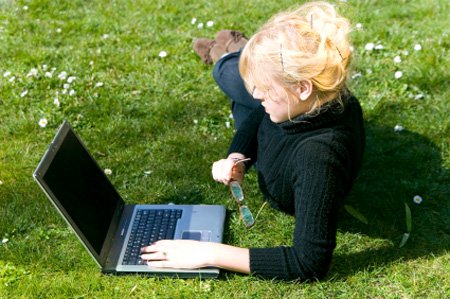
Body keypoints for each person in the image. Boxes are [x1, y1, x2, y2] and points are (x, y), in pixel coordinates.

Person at [141, 1, 365, 281]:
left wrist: (208, 253)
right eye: (258, 86)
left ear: (302, 87)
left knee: (225, 74)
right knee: (239, 87)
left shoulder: (318, 159)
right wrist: (237, 157)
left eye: (265, 87)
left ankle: (225, 52)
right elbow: (259, 114)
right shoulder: (303, 102)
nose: (258, 95)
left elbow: (308, 263)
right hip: (287, 102)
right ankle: (240, 55)